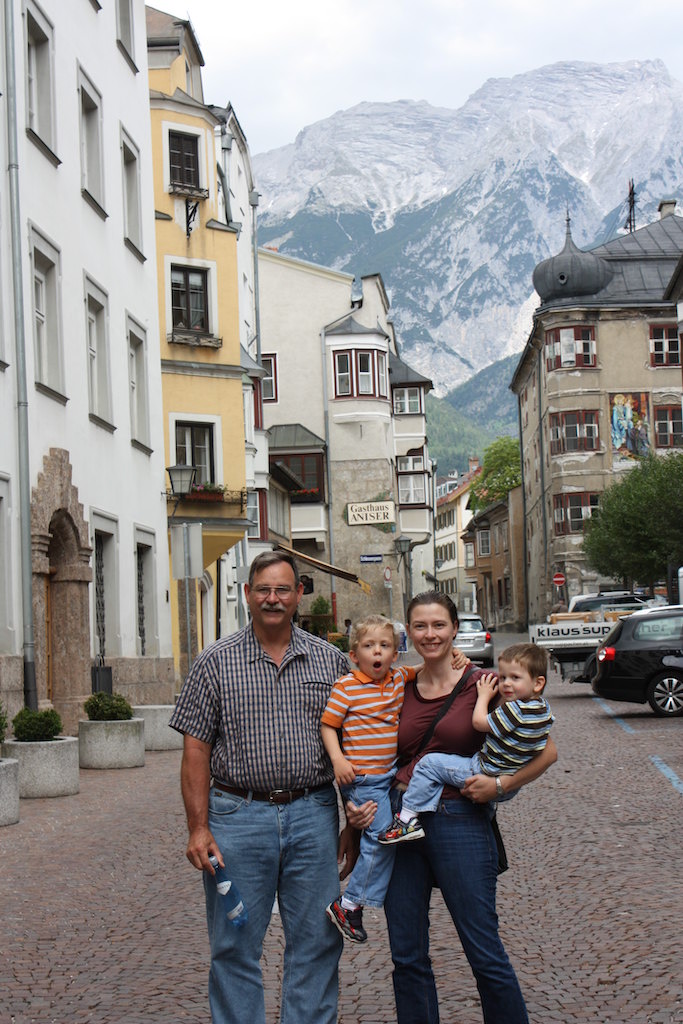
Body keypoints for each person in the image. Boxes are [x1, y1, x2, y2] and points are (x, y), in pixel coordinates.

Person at [347, 592, 557, 1024]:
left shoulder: (484, 684)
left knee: (483, 951)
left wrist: (501, 785)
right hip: (398, 825)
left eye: (439, 625)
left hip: (458, 821)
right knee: (407, 955)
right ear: (409, 632)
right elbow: (363, 750)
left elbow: (547, 751)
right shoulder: (395, 684)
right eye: (420, 626)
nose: (430, 634)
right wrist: (354, 811)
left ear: (454, 628)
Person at [169, 550, 357, 1024]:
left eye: (283, 590)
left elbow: (357, 744)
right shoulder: (214, 662)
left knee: (318, 940)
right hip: (236, 816)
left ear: (298, 596)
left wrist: (352, 823)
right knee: (233, 944)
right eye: (264, 590)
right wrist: (198, 828)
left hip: (313, 815)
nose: (273, 599)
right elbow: (195, 752)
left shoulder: (330, 662)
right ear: (249, 595)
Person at [378, 643, 554, 843]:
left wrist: (484, 697)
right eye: (503, 677)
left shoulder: (514, 710)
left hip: (485, 772)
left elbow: (479, 723)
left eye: (514, 678)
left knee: (428, 764)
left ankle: (407, 819)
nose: (505, 683)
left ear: (538, 683)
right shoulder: (543, 710)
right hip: (508, 779)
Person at [321, 615, 417, 943]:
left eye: (385, 646)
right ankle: (349, 904)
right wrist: (338, 760)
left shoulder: (398, 678)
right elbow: (329, 725)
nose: (377, 652)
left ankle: (354, 905)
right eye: (369, 646)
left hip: (386, 777)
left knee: (384, 838)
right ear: (354, 655)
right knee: (381, 840)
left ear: (395, 653)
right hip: (361, 778)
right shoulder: (346, 686)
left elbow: (425, 669)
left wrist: (458, 658)